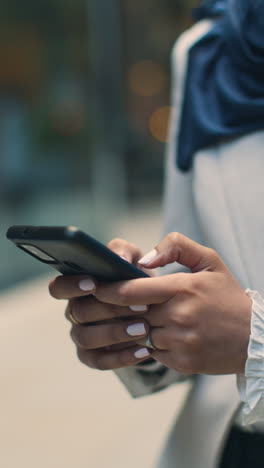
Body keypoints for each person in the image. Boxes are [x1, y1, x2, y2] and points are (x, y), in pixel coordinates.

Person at [49, 1, 264, 467]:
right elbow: (194, 266)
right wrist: (142, 318)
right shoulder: (210, 52)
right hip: (230, 446)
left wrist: (256, 338)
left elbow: (241, 329)